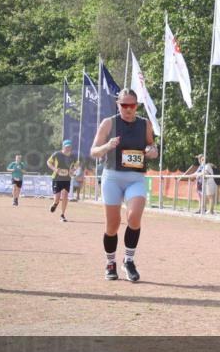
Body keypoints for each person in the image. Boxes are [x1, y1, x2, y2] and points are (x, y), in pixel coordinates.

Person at [90, 88, 158, 282]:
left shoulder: (144, 124)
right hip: (112, 177)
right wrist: (108, 146)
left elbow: (152, 147)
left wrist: (152, 151)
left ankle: (128, 261)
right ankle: (110, 262)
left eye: (132, 105)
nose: (128, 109)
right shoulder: (109, 123)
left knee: (134, 217)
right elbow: (94, 151)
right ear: (117, 105)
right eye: (124, 105)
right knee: (112, 225)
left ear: (136, 105)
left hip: (135, 177)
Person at [47, 140, 75, 222]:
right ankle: (55, 204)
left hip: (67, 179)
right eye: (66, 147)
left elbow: (76, 164)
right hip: (57, 178)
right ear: (63, 147)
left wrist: (72, 170)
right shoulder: (57, 154)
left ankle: (62, 215)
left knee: (65, 196)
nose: (68, 148)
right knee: (57, 198)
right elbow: (48, 162)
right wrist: (55, 169)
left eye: (69, 147)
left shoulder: (73, 156)